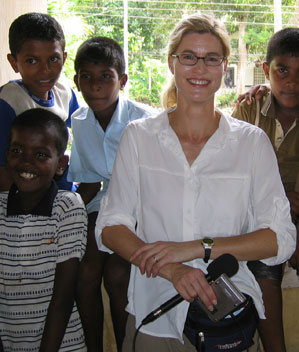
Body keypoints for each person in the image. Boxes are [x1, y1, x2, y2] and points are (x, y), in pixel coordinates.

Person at [95, 13, 296, 352]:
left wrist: (196, 248)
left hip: (226, 317)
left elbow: (280, 239)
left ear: (223, 67)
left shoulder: (251, 143)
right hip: (155, 308)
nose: (199, 68)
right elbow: (110, 226)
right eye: (189, 57)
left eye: (211, 58)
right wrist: (173, 270)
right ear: (172, 63)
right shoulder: (139, 138)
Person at [67, 37, 157, 352]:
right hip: (100, 209)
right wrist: (67, 211)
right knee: (86, 273)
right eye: (86, 77)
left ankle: (125, 346)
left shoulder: (145, 120)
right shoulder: (78, 124)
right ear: (76, 81)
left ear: (122, 80)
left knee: (118, 275)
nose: (95, 85)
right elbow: (89, 184)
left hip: (139, 209)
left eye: (106, 76)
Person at [232, 27, 299, 352]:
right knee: (266, 260)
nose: (291, 82)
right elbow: (230, 171)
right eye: (281, 71)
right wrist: (278, 199)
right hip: (257, 210)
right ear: (265, 71)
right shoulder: (249, 110)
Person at [0, 108, 87, 351]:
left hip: (61, 345)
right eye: (18, 151)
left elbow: (63, 297)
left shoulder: (67, 207)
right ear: (7, 155)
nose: (27, 162)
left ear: (61, 165)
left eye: (40, 154)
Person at [0, 12, 79, 192]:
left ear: (64, 59)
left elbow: (84, 137)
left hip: (64, 195)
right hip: (25, 202)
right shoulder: (7, 101)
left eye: (53, 59)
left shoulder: (65, 94)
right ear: (14, 62)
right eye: (32, 61)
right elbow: (3, 172)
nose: (45, 70)